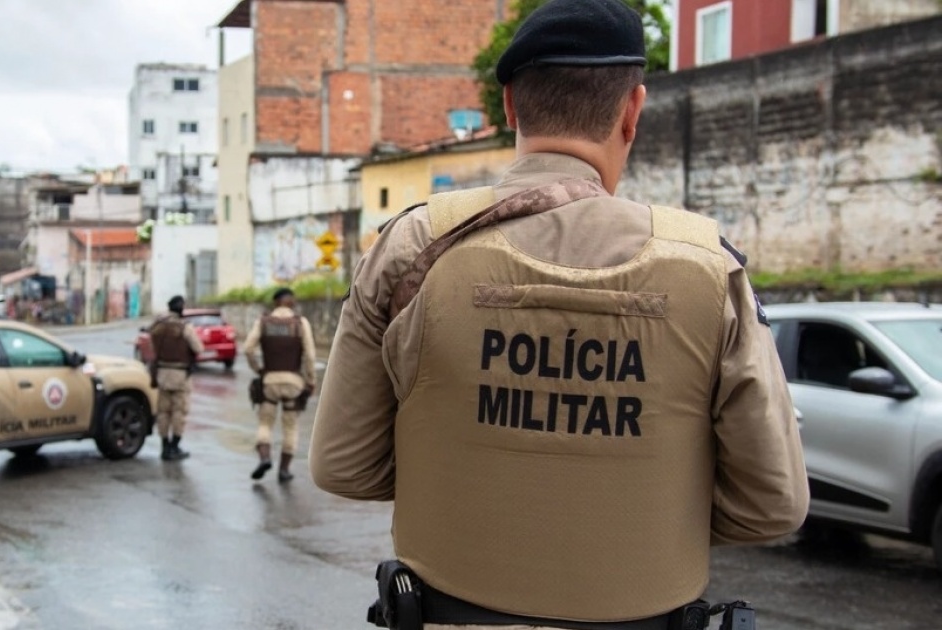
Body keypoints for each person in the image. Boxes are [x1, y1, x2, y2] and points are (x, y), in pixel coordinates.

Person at [309, 0, 809, 628]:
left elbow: (343, 465)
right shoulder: (707, 266)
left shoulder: (411, 247)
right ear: (633, 111)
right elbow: (773, 505)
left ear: (512, 106)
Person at [244, 287, 316, 483]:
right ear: (292, 302)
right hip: (293, 382)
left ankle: (265, 458)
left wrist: (258, 370)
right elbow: (310, 356)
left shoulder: (263, 322)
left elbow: (248, 349)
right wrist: (310, 381)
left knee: (265, 423)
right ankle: (284, 470)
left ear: (275, 302)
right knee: (290, 426)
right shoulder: (301, 323)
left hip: (269, 382)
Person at [149, 295, 203, 461]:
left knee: (163, 412)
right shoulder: (184, 327)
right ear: (181, 308)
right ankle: (175, 446)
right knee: (179, 411)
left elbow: (152, 345)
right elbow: (199, 348)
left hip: (162, 373)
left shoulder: (157, 325)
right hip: (180, 374)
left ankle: (164, 446)